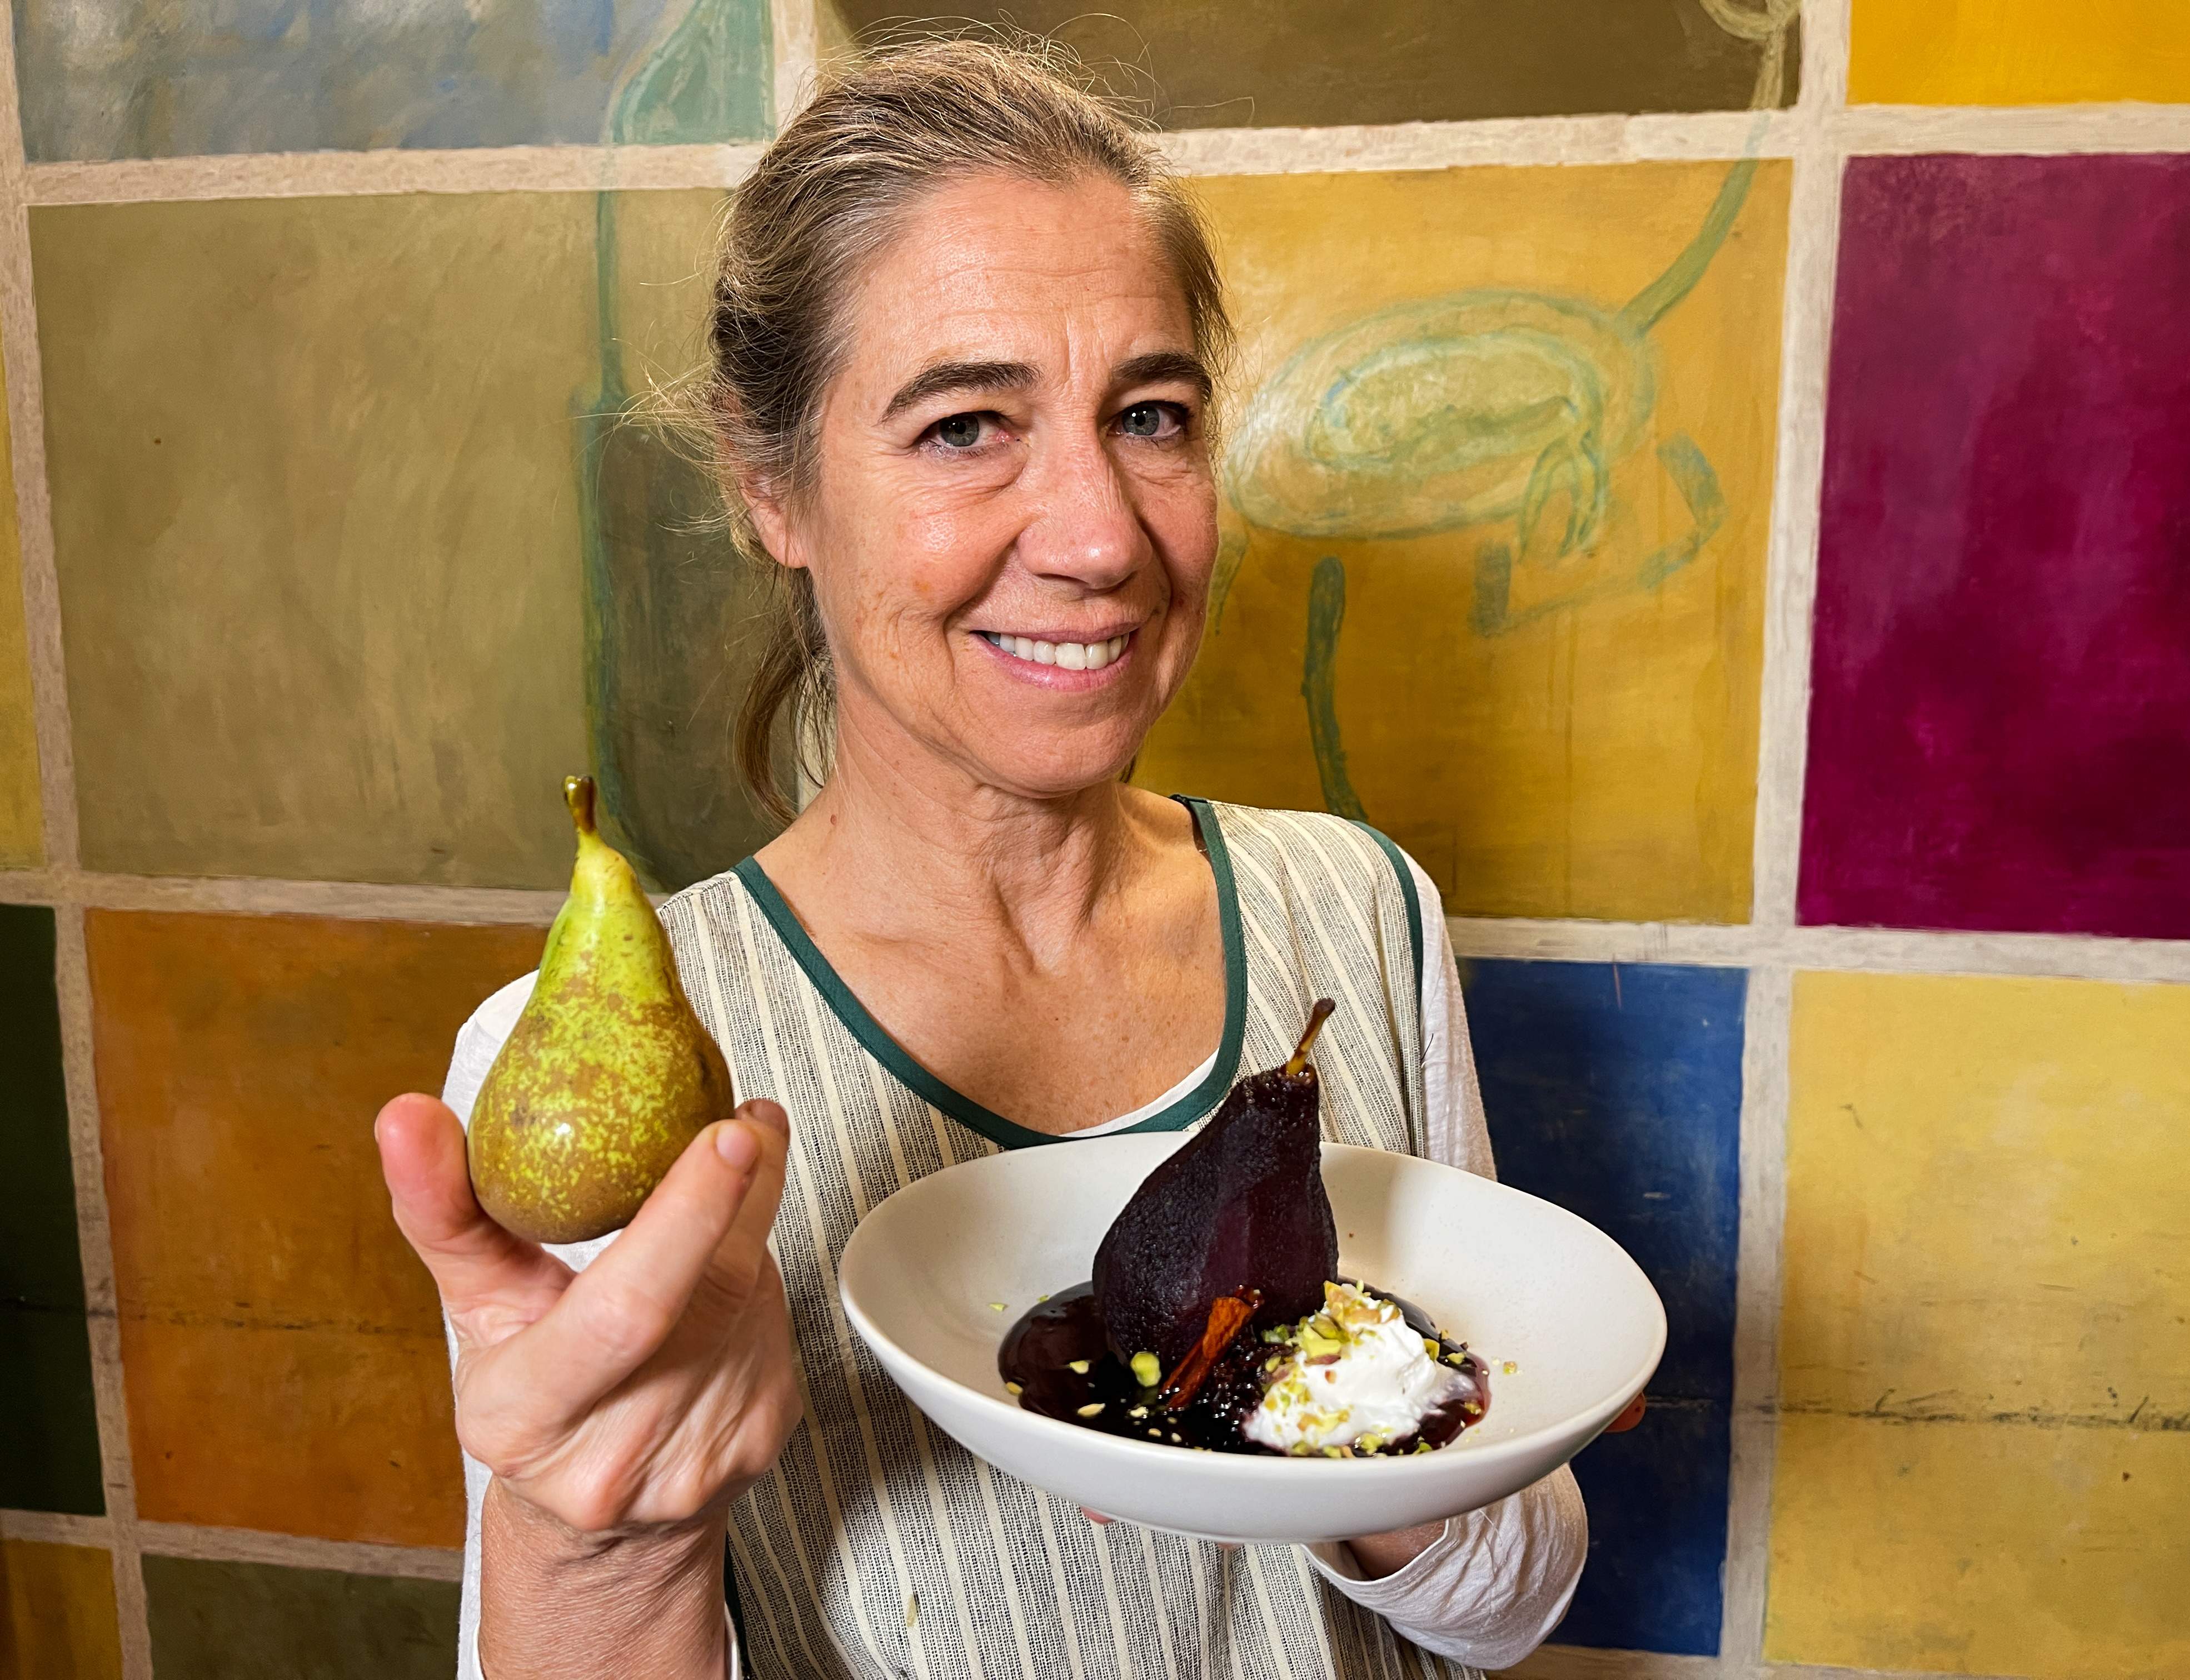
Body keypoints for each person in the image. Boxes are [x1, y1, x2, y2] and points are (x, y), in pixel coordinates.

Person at [377, 38, 1608, 1680]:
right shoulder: (611, 1090)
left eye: (1152, 415)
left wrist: (1307, 1410)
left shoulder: (1359, 915)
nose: (1101, 535)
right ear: (772, 488)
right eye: (966, 426)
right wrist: (604, 1554)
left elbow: (1515, 1602)